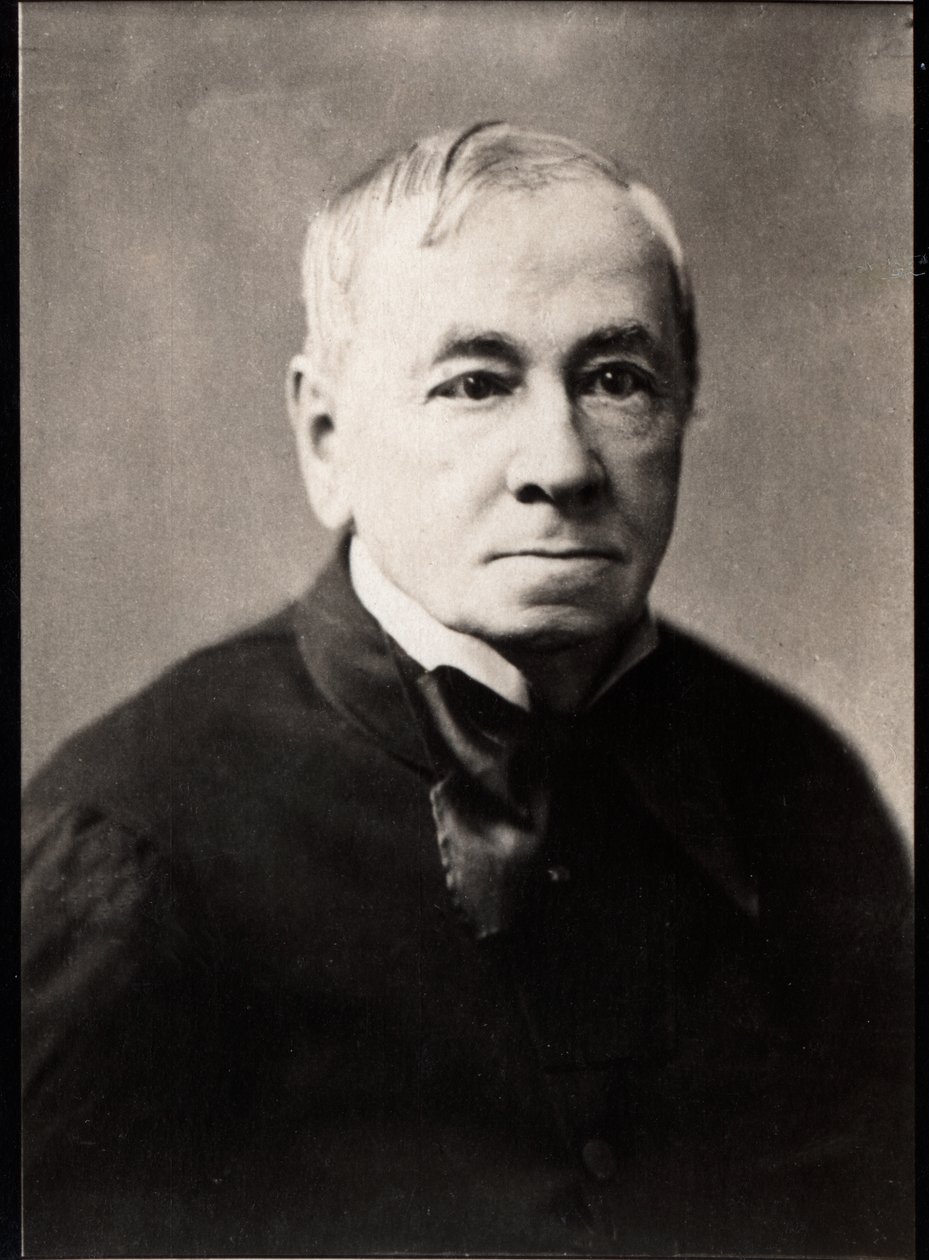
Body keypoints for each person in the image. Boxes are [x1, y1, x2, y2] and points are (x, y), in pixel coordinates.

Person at [22, 123, 912, 1258]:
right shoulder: (128, 854)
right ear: (326, 439)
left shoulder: (799, 785)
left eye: (615, 380)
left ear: (684, 410)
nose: (562, 464)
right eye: (476, 384)